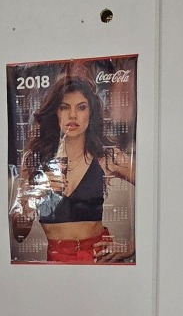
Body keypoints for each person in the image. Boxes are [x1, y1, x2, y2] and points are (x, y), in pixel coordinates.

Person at [9, 74, 136, 263]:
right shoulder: (34, 160)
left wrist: (131, 246)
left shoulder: (106, 157)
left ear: (91, 113)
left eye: (81, 107)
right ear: (55, 112)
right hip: (58, 265)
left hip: (100, 261)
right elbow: (19, 234)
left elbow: (157, 185)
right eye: (64, 107)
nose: (73, 115)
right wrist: (35, 194)